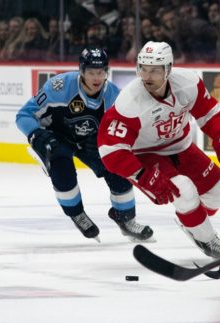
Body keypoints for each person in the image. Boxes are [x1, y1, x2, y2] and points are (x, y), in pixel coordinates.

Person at [97, 41, 220, 258]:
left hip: (182, 147)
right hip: (146, 154)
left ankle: (192, 223)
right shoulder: (129, 102)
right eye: (143, 69)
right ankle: (207, 240)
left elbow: (209, 112)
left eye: (154, 70)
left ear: (168, 69)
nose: (147, 76)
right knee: (183, 192)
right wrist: (144, 176)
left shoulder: (188, 82)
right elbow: (110, 150)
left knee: (217, 193)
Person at [15, 47, 153, 242]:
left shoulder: (114, 96)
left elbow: (127, 128)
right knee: (61, 165)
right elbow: (23, 115)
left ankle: (126, 219)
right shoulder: (59, 87)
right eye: (90, 72)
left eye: (101, 72)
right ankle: (76, 213)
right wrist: (36, 134)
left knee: (117, 166)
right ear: (81, 71)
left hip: (91, 138)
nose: (96, 78)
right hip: (56, 136)